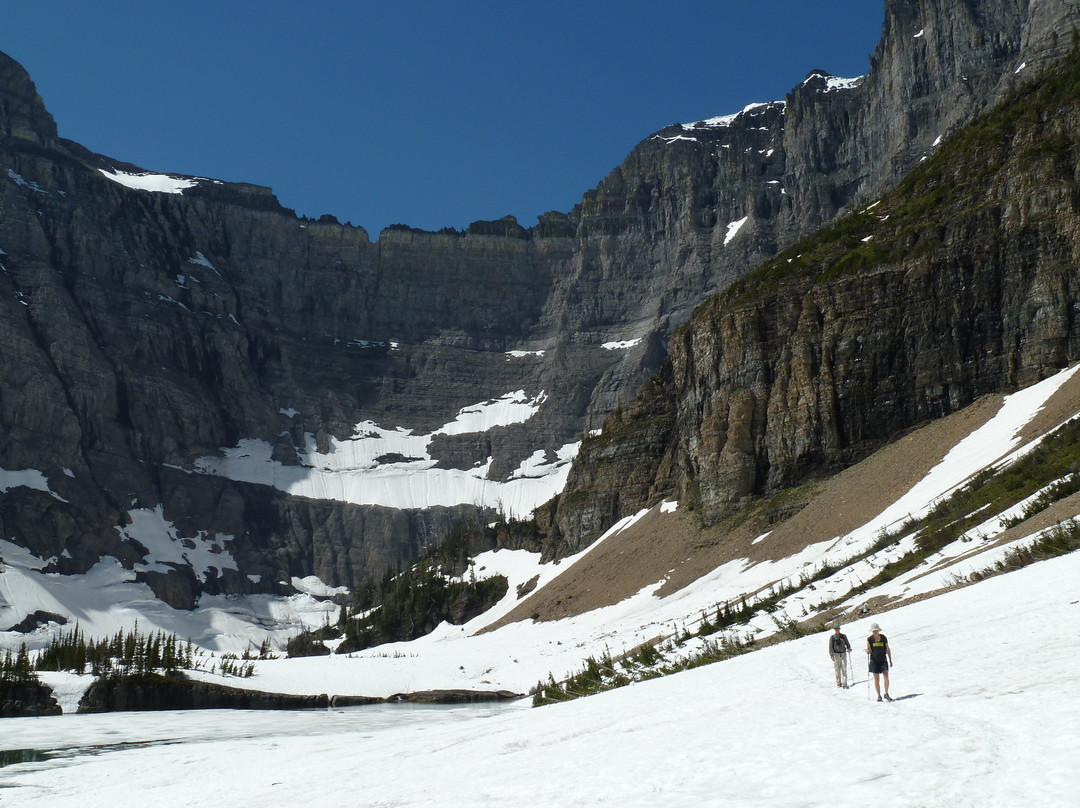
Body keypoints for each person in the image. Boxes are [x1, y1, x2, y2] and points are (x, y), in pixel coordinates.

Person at [866, 622, 894, 702]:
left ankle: (886, 693)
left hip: (883, 659)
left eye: (876, 631)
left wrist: (890, 659)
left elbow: (887, 648)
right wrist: (868, 651)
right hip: (874, 660)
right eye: (874, 631)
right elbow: (869, 649)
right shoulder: (869, 639)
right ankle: (879, 695)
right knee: (876, 678)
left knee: (886, 676)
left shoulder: (883, 637)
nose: (875, 632)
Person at [828, 623, 852, 688]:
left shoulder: (843, 636)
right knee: (837, 669)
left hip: (843, 653)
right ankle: (838, 683)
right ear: (834, 629)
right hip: (836, 654)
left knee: (844, 668)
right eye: (836, 628)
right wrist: (832, 655)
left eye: (838, 628)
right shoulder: (832, 637)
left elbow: (847, 643)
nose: (837, 630)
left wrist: (849, 648)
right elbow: (830, 647)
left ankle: (844, 683)